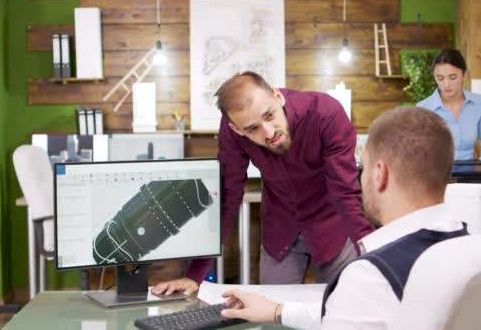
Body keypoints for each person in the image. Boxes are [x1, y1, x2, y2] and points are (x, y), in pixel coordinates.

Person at [219, 107, 468, 329]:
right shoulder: (467, 251)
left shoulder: (369, 276)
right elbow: (354, 316)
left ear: (380, 174)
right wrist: (277, 311)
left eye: (364, 167)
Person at [152, 71, 374, 296]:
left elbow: (345, 193)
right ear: (237, 130)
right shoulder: (232, 132)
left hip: (333, 226)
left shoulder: (325, 113)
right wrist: (194, 275)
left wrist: (376, 256)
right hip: (280, 230)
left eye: (269, 115)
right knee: (271, 317)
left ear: (278, 97)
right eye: (252, 129)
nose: (269, 133)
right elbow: (227, 197)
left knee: (344, 307)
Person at [417, 49, 481, 160]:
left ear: (464, 75)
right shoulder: (423, 108)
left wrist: (480, 173)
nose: (446, 84)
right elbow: (420, 153)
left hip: (471, 174)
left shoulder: (479, 102)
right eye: (440, 78)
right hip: (436, 175)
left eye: (453, 77)